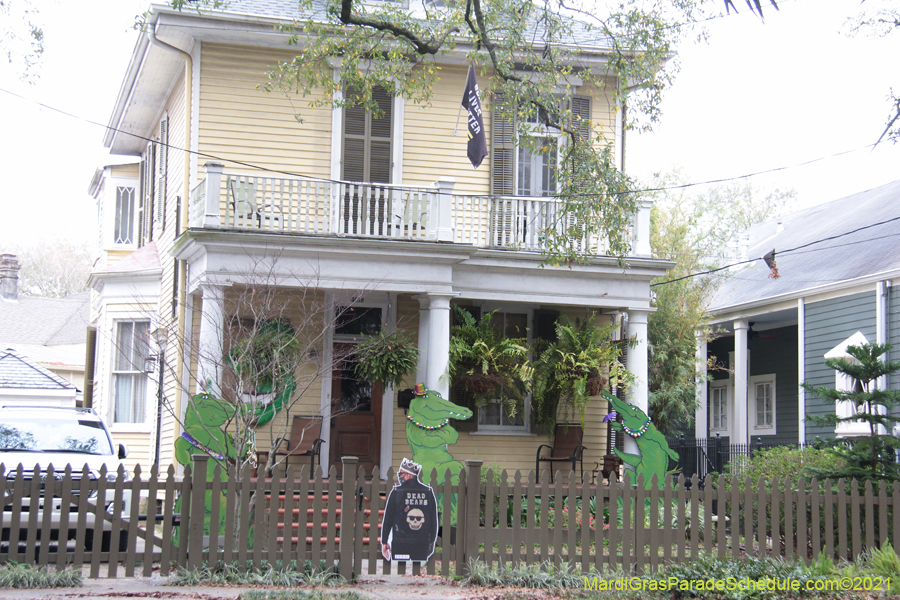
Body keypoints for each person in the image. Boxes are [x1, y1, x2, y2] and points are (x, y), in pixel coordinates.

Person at [381, 458, 438, 562]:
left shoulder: (397, 492)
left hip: (400, 542)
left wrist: (384, 541)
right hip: (422, 542)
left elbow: (388, 519)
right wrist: (432, 540)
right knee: (417, 570)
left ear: (408, 475)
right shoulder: (428, 492)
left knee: (400, 569)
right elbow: (433, 520)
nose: (400, 477)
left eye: (402, 473)